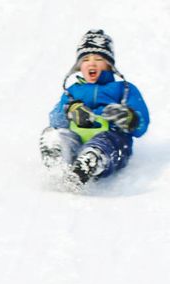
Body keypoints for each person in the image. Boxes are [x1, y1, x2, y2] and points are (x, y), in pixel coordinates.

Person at [39, 29, 150, 186]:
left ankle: (91, 161)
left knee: (106, 142)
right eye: (85, 59)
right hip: (77, 136)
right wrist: (70, 111)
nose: (91, 63)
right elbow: (55, 120)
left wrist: (128, 117)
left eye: (98, 59)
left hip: (112, 139)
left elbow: (142, 125)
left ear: (109, 65)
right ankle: (57, 157)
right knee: (60, 134)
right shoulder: (73, 90)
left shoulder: (123, 88)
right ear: (79, 67)